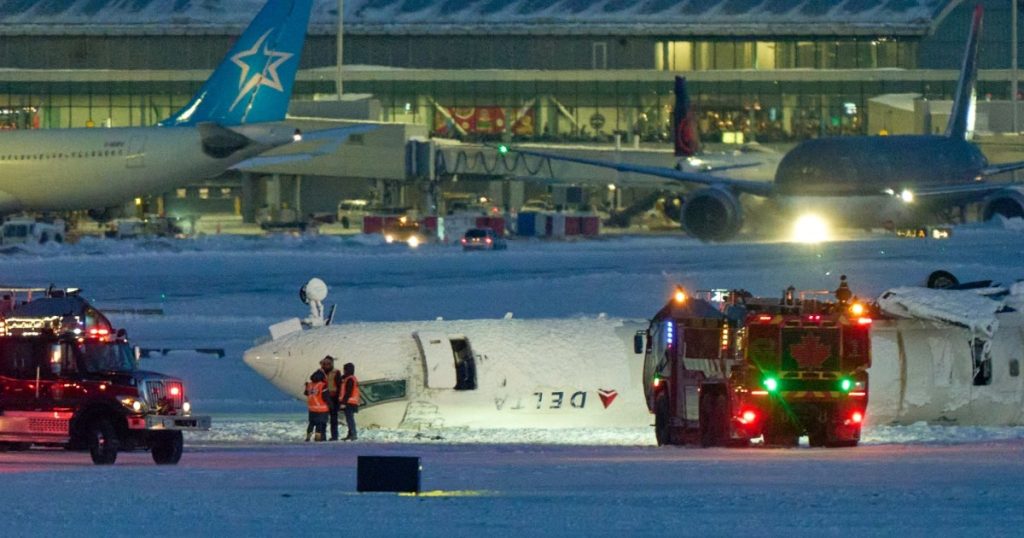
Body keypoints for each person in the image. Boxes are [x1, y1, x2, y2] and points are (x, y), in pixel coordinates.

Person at [315, 356, 343, 441]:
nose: (326, 365)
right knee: (321, 420)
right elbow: (313, 378)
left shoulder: (336, 372)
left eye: (328, 363)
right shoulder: (319, 372)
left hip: (333, 398)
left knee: (333, 419)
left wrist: (339, 400)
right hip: (322, 398)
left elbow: (339, 386)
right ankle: (320, 437)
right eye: (324, 363)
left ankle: (334, 437)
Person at [340, 362, 361, 441]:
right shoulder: (349, 378)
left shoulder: (350, 379)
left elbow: (348, 392)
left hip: (349, 402)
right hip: (351, 402)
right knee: (349, 419)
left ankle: (353, 434)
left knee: (350, 419)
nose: (344, 371)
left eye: (344, 369)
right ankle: (350, 434)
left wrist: (343, 402)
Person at [304, 375, 328, 442]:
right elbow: (326, 397)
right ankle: (318, 437)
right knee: (319, 424)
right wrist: (331, 404)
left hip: (312, 408)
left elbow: (306, 393)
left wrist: (306, 387)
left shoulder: (310, 385)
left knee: (311, 423)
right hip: (321, 408)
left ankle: (308, 436)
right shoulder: (322, 385)